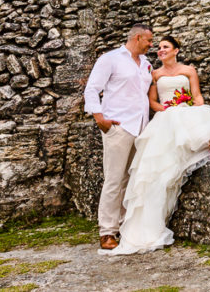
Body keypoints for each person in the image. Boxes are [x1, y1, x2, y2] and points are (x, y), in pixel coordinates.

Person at [104, 35, 210, 255]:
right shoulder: (154, 74)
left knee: (194, 113)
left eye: (166, 47)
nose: (161, 50)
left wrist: (191, 107)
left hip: (186, 109)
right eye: (159, 48)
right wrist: (169, 108)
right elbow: (152, 102)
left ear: (176, 50)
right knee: (175, 119)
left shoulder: (189, 71)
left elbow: (197, 97)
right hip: (166, 115)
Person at [83, 24, 155, 250]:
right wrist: (99, 118)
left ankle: (125, 226)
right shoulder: (110, 59)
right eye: (149, 40)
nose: (151, 45)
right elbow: (92, 88)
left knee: (131, 180)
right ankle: (107, 232)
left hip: (141, 127)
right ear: (137, 37)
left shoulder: (145, 65)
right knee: (114, 180)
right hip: (118, 126)